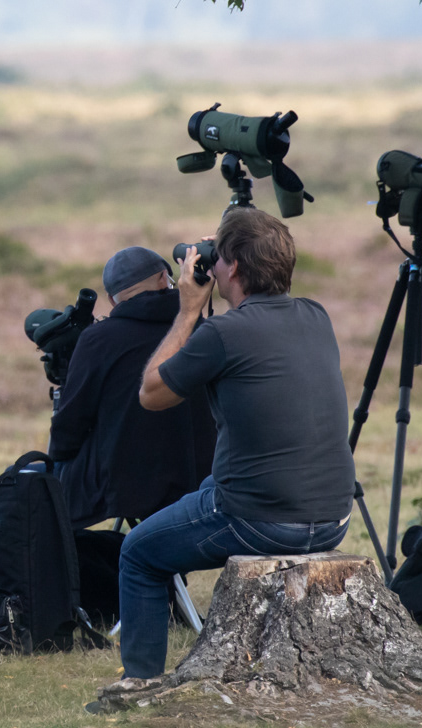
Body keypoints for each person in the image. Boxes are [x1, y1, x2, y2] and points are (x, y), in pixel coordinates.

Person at [121, 207, 354, 680]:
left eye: (219, 257)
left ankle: (138, 681)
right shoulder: (316, 316)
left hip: (262, 521)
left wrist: (188, 310)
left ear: (234, 269)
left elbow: (151, 393)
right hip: (334, 518)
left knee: (138, 553)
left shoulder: (221, 333)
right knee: (212, 484)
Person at [49, 246, 217, 529]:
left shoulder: (98, 340)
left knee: (42, 476)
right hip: (202, 481)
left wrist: (57, 461)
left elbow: (69, 427)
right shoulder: (205, 330)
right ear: (165, 279)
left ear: (112, 301)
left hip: (125, 487)